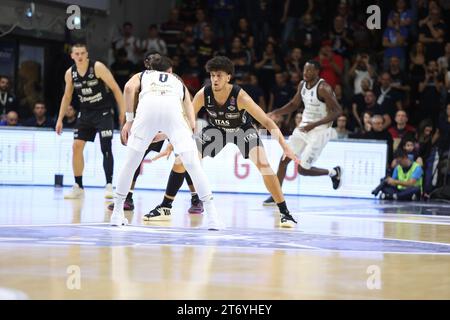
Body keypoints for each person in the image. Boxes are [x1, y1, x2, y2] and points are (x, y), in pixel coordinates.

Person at [146, 56, 299, 228]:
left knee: (264, 166)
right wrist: (171, 144)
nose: (215, 79)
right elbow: (185, 122)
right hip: (216, 129)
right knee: (180, 160)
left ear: (228, 77)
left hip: (242, 130)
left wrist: (285, 147)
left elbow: (267, 122)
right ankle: (165, 207)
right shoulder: (203, 94)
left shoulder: (240, 96)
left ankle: (285, 213)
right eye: (212, 75)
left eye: (219, 75)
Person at [110, 54, 224, 230]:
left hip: (147, 110)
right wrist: (191, 126)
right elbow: (188, 104)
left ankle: (117, 214)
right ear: (169, 70)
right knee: (193, 166)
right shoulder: (177, 79)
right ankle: (213, 218)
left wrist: (130, 120)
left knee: (130, 164)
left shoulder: (143, 75)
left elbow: (128, 89)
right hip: (173, 113)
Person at [263, 60, 343, 205]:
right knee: (284, 160)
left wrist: (314, 125)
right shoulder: (302, 85)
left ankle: (333, 172)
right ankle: (276, 195)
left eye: (309, 70)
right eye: (305, 70)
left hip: (320, 130)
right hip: (304, 127)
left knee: (302, 170)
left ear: (317, 72)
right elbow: (294, 104)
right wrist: (276, 112)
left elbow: (338, 111)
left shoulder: (323, 88)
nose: (306, 73)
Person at [55, 43, 125, 199]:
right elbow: (67, 97)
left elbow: (115, 88)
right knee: (76, 146)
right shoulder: (70, 73)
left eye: (82, 53)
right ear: (72, 56)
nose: (79, 56)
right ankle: (78, 186)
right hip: (85, 113)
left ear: (87, 54)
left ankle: (109, 185)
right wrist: (60, 119)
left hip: (104, 112)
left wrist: (123, 113)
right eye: (76, 54)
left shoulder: (97, 67)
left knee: (106, 147)